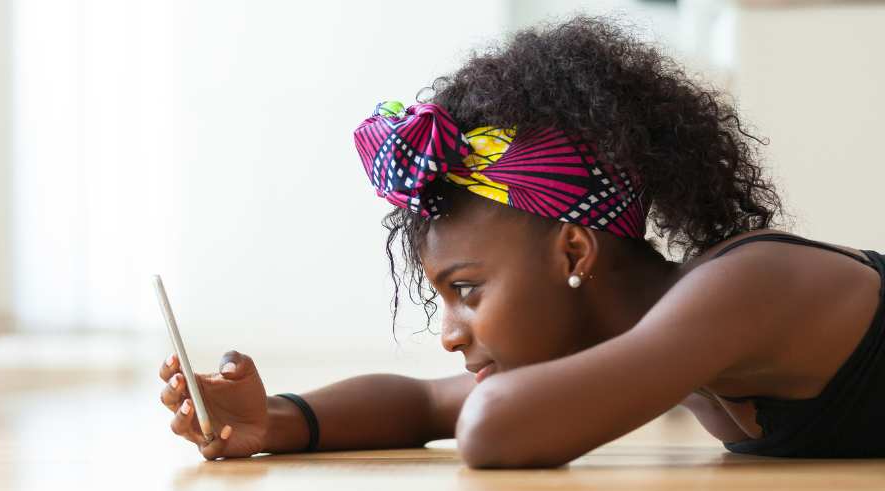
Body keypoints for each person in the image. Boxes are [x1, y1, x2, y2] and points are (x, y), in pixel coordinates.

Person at [158, 17, 885, 468]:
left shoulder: (745, 288)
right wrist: (276, 421)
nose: (448, 334)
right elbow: (421, 405)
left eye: (465, 290)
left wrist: (481, 408)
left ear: (574, 253)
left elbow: (491, 427)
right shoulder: (662, 336)